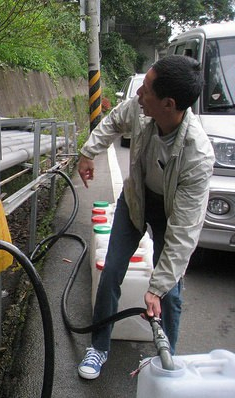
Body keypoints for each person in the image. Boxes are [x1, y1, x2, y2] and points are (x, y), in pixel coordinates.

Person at [76, 55, 215, 380]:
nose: (138, 93)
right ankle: (99, 347)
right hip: (136, 200)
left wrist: (156, 286)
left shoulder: (198, 155)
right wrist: (87, 152)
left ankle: (165, 362)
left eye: (146, 89)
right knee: (111, 273)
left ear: (169, 104)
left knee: (170, 290)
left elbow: (183, 233)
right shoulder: (140, 109)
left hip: (172, 213)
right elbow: (111, 122)